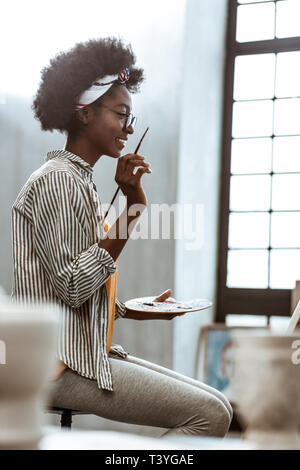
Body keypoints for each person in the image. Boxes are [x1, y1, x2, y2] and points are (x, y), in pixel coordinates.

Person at [11, 37, 232, 437]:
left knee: (220, 405)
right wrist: (133, 209)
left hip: (78, 351)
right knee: (211, 417)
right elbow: (75, 286)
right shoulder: (58, 182)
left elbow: (64, 289)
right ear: (83, 112)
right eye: (121, 114)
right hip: (57, 363)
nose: (129, 128)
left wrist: (129, 309)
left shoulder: (79, 181)